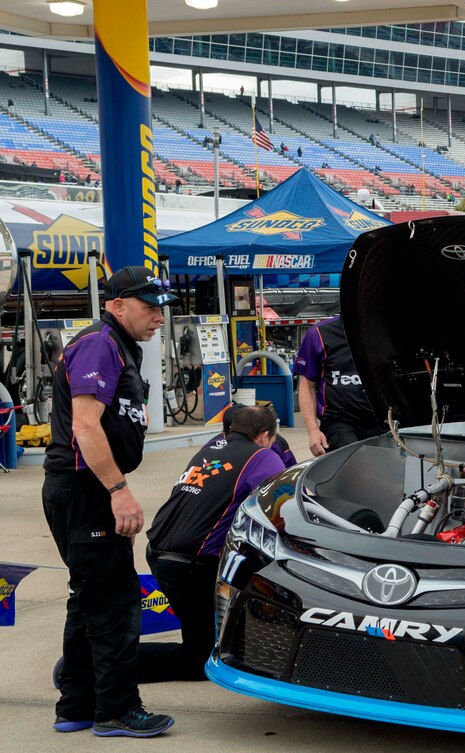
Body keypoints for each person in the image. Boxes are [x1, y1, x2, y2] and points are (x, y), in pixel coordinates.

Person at [42, 266, 178, 737]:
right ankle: (117, 709)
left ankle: (77, 706)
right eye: (148, 307)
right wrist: (119, 491)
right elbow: (84, 426)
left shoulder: (119, 346)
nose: (158, 317)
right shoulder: (101, 342)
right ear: (117, 305)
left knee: (90, 600)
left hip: (83, 490)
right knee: (115, 605)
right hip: (86, 490)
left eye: (161, 308)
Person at [137, 406, 285, 684]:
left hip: (159, 551)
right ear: (265, 435)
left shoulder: (212, 448)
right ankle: (96, 665)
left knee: (215, 635)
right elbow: (281, 510)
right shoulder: (262, 456)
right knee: (200, 659)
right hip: (188, 566)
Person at [293, 315, 382, 455]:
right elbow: (307, 386)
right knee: (354, 467)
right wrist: (313, 431)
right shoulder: (319, 334)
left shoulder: (386, 332)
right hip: (340, 422)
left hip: (384, 421)